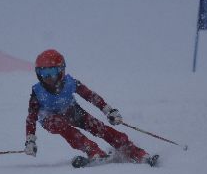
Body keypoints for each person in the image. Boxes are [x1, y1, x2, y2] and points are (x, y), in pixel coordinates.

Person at [24, 49, 157, 167]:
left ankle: (132, 151)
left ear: (61, 71)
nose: (47, 77)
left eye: (52, 71)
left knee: (97, 127)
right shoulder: (37, 91)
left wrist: (109, 111)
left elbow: (90, 96)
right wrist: (30, 140)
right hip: (49, 118)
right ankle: (92, 150)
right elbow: (31, 117)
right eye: (43, 72)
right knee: (61, 125)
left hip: (70, 111)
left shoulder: (71, 83)